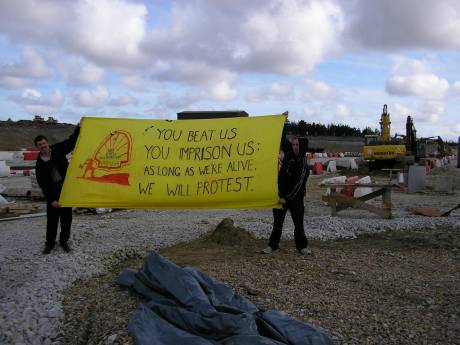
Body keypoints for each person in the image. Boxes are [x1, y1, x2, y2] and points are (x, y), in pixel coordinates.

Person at [35, 122, 81, 254]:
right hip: (52, 195)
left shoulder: (58, 149)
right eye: (40, 145)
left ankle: (64, 241)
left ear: (47, 143)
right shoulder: (39, 165)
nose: (43, 146)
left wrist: (79, 127)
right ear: (37, 147)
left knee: (67, 219)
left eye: (44, 143)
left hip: (65, 191)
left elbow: (71, 142)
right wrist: (51, 200)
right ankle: (49, 243)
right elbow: (43, 184)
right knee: (52, 221)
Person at [262, 136, 311, 256]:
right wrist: (283, 121)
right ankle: (272, 245)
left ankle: (302, 247)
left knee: (298, 224)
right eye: (293, 145)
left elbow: (298, 185)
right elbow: (282, 138)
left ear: (302, 146)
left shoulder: (304, 163)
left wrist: (286, 198)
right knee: (277, 223)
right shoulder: (288, 155)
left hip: (295, 199)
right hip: (281, 196)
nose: (294, 147)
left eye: (297, 145)